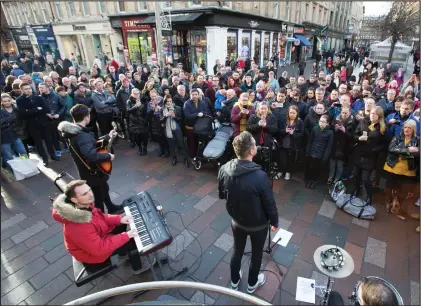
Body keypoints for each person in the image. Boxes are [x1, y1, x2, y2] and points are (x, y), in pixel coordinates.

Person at [217, 131, 279, 294]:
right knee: (257, 254)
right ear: (252, 150)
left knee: (237, 250)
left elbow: (221, 194)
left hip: (237, 221)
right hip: (257, 225)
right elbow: (269, 203)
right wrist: (274, 222)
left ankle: (235, 281)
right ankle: (252, 284)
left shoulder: (224, 168)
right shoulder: (260, 176)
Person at [52, 180, 147, 274]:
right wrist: (126, 236)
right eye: (85, 194)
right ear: (74, 200)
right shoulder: (78, 225)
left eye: (89, 190)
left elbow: (101, 217)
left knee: (123, 225)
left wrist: (119, 219)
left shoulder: (83, 206)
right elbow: (99, 249)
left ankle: (123, 253)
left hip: (97, 239)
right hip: (92, 254)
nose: (90, 194)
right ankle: (138, 268)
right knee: (132, 241)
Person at [58, 104, 120, 213]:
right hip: (93, 172)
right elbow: (91, 154)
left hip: (88, 171)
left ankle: (111, 207)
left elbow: (91, 143)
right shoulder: (81, 135)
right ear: (87, 117)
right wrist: (108, 156)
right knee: (99, 197)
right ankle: (101, 219)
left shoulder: (75, 131)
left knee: (103, 189)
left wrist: (107, 136)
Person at [383, 119, 419, 217]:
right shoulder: (397, 137)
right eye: (405, 127)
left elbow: (418, 153)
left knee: (404, 190)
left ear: (414, 130)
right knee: (389, 187)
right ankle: (388, 202)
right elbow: (391, 149)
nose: (406, 130)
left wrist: (402, 152)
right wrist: (408, 151)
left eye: (409, 128)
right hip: (394, 167)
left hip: (408, 170)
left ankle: (397, 203)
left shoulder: (418, 140)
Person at [16, 83, 58, 166]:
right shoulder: (19, 100)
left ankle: (53, 155)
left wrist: (30, 111)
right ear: (21, 90)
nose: (28, 90)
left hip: (43, 122)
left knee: (48, 140)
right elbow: (23, 113)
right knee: (38, 143)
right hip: (32, 125)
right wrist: (36, 109)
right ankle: (44, 159)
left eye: (29, 88)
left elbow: (46, 109)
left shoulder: (38, 97)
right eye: (26, 89)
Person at [352, 106, 387, 205]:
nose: (372, 115)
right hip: (359, 153)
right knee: (355, 175)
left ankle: (369, 195)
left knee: (365, 179)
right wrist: (359, 138)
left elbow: (385, 144)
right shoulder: (363, 121)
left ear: (379, 116)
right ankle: (357, 190)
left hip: (370, 156)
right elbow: (354, 135)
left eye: (375, 114)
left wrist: (375, 149)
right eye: (371, 113)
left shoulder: (382, 127)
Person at [327, 106, 356, 184]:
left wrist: (344, 131)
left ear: (350, 113)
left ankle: (337, 178)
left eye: (346, 113)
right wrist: (335, 128)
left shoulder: (353, 122)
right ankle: (330, 177)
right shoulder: (336, 119)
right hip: (335, 144)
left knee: (340, 164)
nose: (344, 114)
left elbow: (353, 137)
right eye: (343, 112)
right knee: (332, 162)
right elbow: (331, 129)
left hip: (344, 146)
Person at [1, 93, 28, 172]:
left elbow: (21, 120)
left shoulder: (16, 109)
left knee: (23, 152)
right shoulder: (1, 111)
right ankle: (13, 171)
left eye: (8, 101)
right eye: (5, 101)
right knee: (8, 156)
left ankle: (26, 166)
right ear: (1, 102)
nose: (7, 102)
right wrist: (8, 120)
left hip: (15, 135)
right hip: (3, 138)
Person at [305, 114, 333, 189]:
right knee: (310, 167)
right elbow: (310, 140)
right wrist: (307, 150)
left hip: (321, 153)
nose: (321, 123)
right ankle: (309, 180)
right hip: (312, 151)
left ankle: (314, 181)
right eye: (320, 121)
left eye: (323, 122)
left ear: (327, 123)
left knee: (317, 169)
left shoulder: (330, 132)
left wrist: (325, 157)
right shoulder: (314, 128)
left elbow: (329, 146)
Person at [160, 95, 189, 167]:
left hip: (176, 127)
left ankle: (186, 158)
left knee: (181, 143)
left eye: (170, 101)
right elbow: (160, 121)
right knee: (171, 145)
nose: (169, 103)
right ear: (165, 102)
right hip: (167, 129)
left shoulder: (177, 108)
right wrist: (166, 115)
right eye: (168, 101)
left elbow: (180, 119)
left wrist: (174, 117)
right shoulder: (162, 109)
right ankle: (174, 158)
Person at [277, 105, 304, 180]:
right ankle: (280, 171)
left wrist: (293, 134)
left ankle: (288, 172)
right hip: (284, 143)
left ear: (297, 113)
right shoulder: (284, 120)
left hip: (293, 144)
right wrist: (285, 131)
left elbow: (302, 134)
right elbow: (279, 131)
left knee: (290, 159)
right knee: (282, 159)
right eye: (290, 113)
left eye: (293, 113)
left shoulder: (300, 122)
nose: (291, 115)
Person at [183, 89, 210, 158]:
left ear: (198, 95)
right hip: (190, 127)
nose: (194, 96)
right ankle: (192, 156)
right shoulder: (187, 103)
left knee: (199, 142)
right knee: (191, 143)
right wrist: (197, 114)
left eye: (196, 94)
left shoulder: (202, 102)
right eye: (193, 95)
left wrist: (203, 114)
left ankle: (200, 156)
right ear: (190, 95)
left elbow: (206, 112)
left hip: (200, 127)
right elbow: (187, 116)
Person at [126, 88, 150, 156]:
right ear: (132, 94)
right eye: (135, 94)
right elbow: (128, 111)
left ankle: (144, 147)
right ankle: (140, 148)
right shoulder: (129, 101)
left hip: (143, 122)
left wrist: (146, 120)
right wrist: (135, 106)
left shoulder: (144, 100)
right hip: (134, 123)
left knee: (145, 137)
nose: (137, 95)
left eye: (138, 93)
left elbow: (146, 111)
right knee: (137, 138)